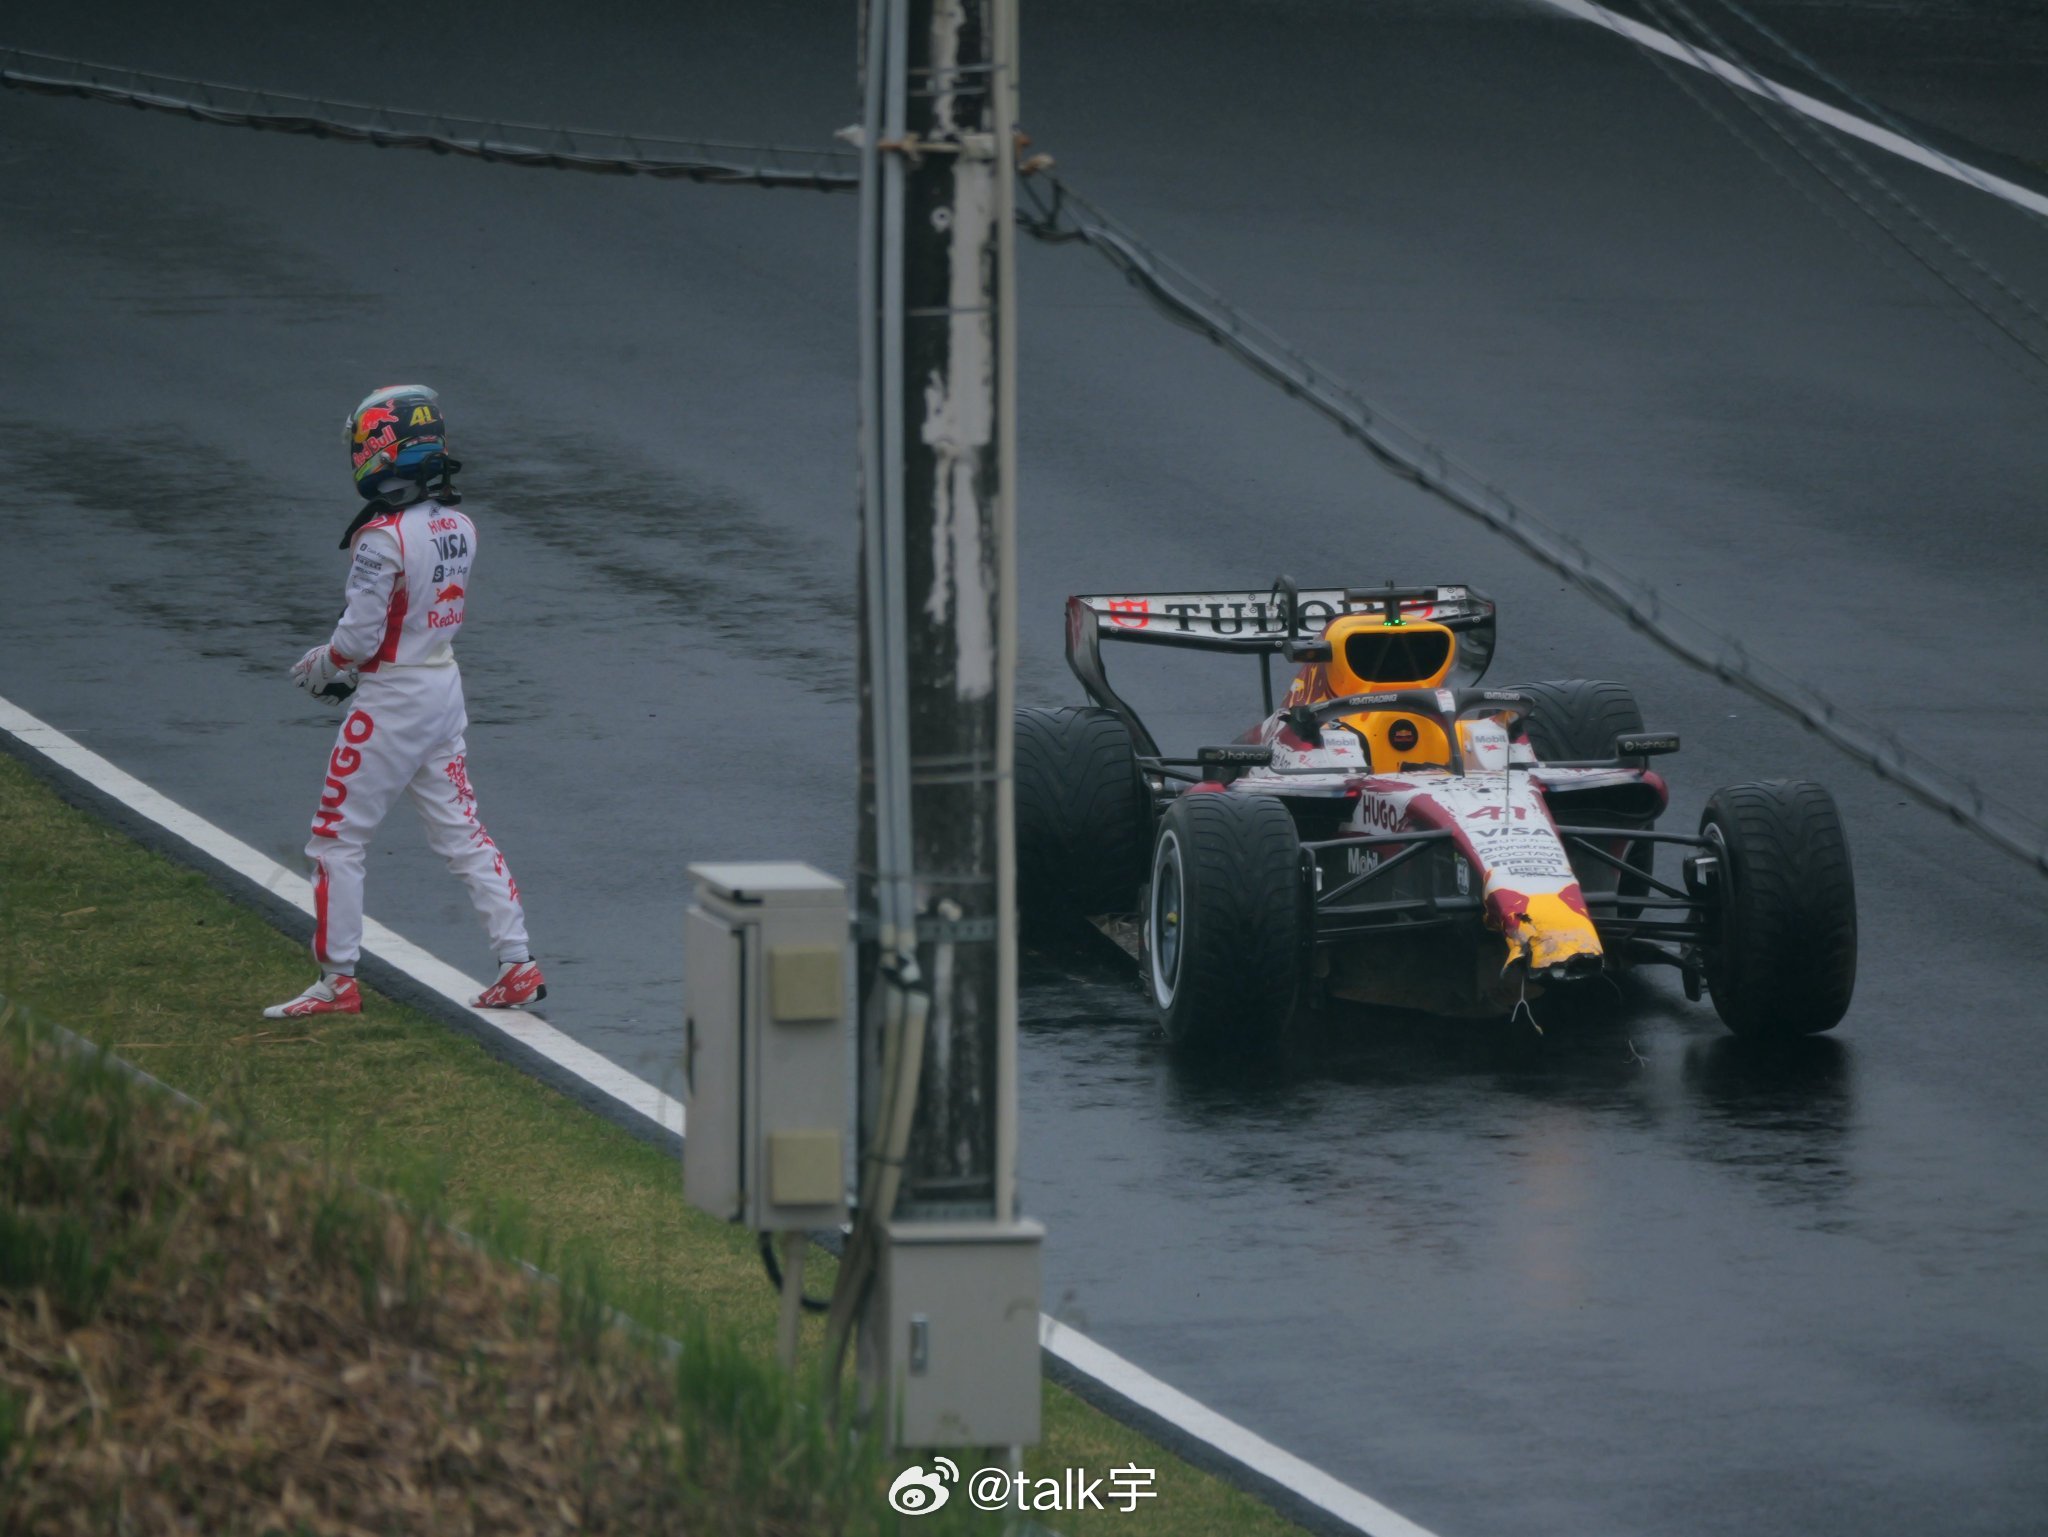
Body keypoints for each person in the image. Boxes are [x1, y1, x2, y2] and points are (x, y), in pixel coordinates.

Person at [264, 385, 545, 1018]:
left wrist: (324, 666)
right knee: (462, 831)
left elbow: (360, 637)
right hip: (443, 686)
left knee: (335, 839)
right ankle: (517, 962)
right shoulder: (460, 525)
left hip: (391, 698)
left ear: (381, 451)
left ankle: (337, 982)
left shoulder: (381, 539)